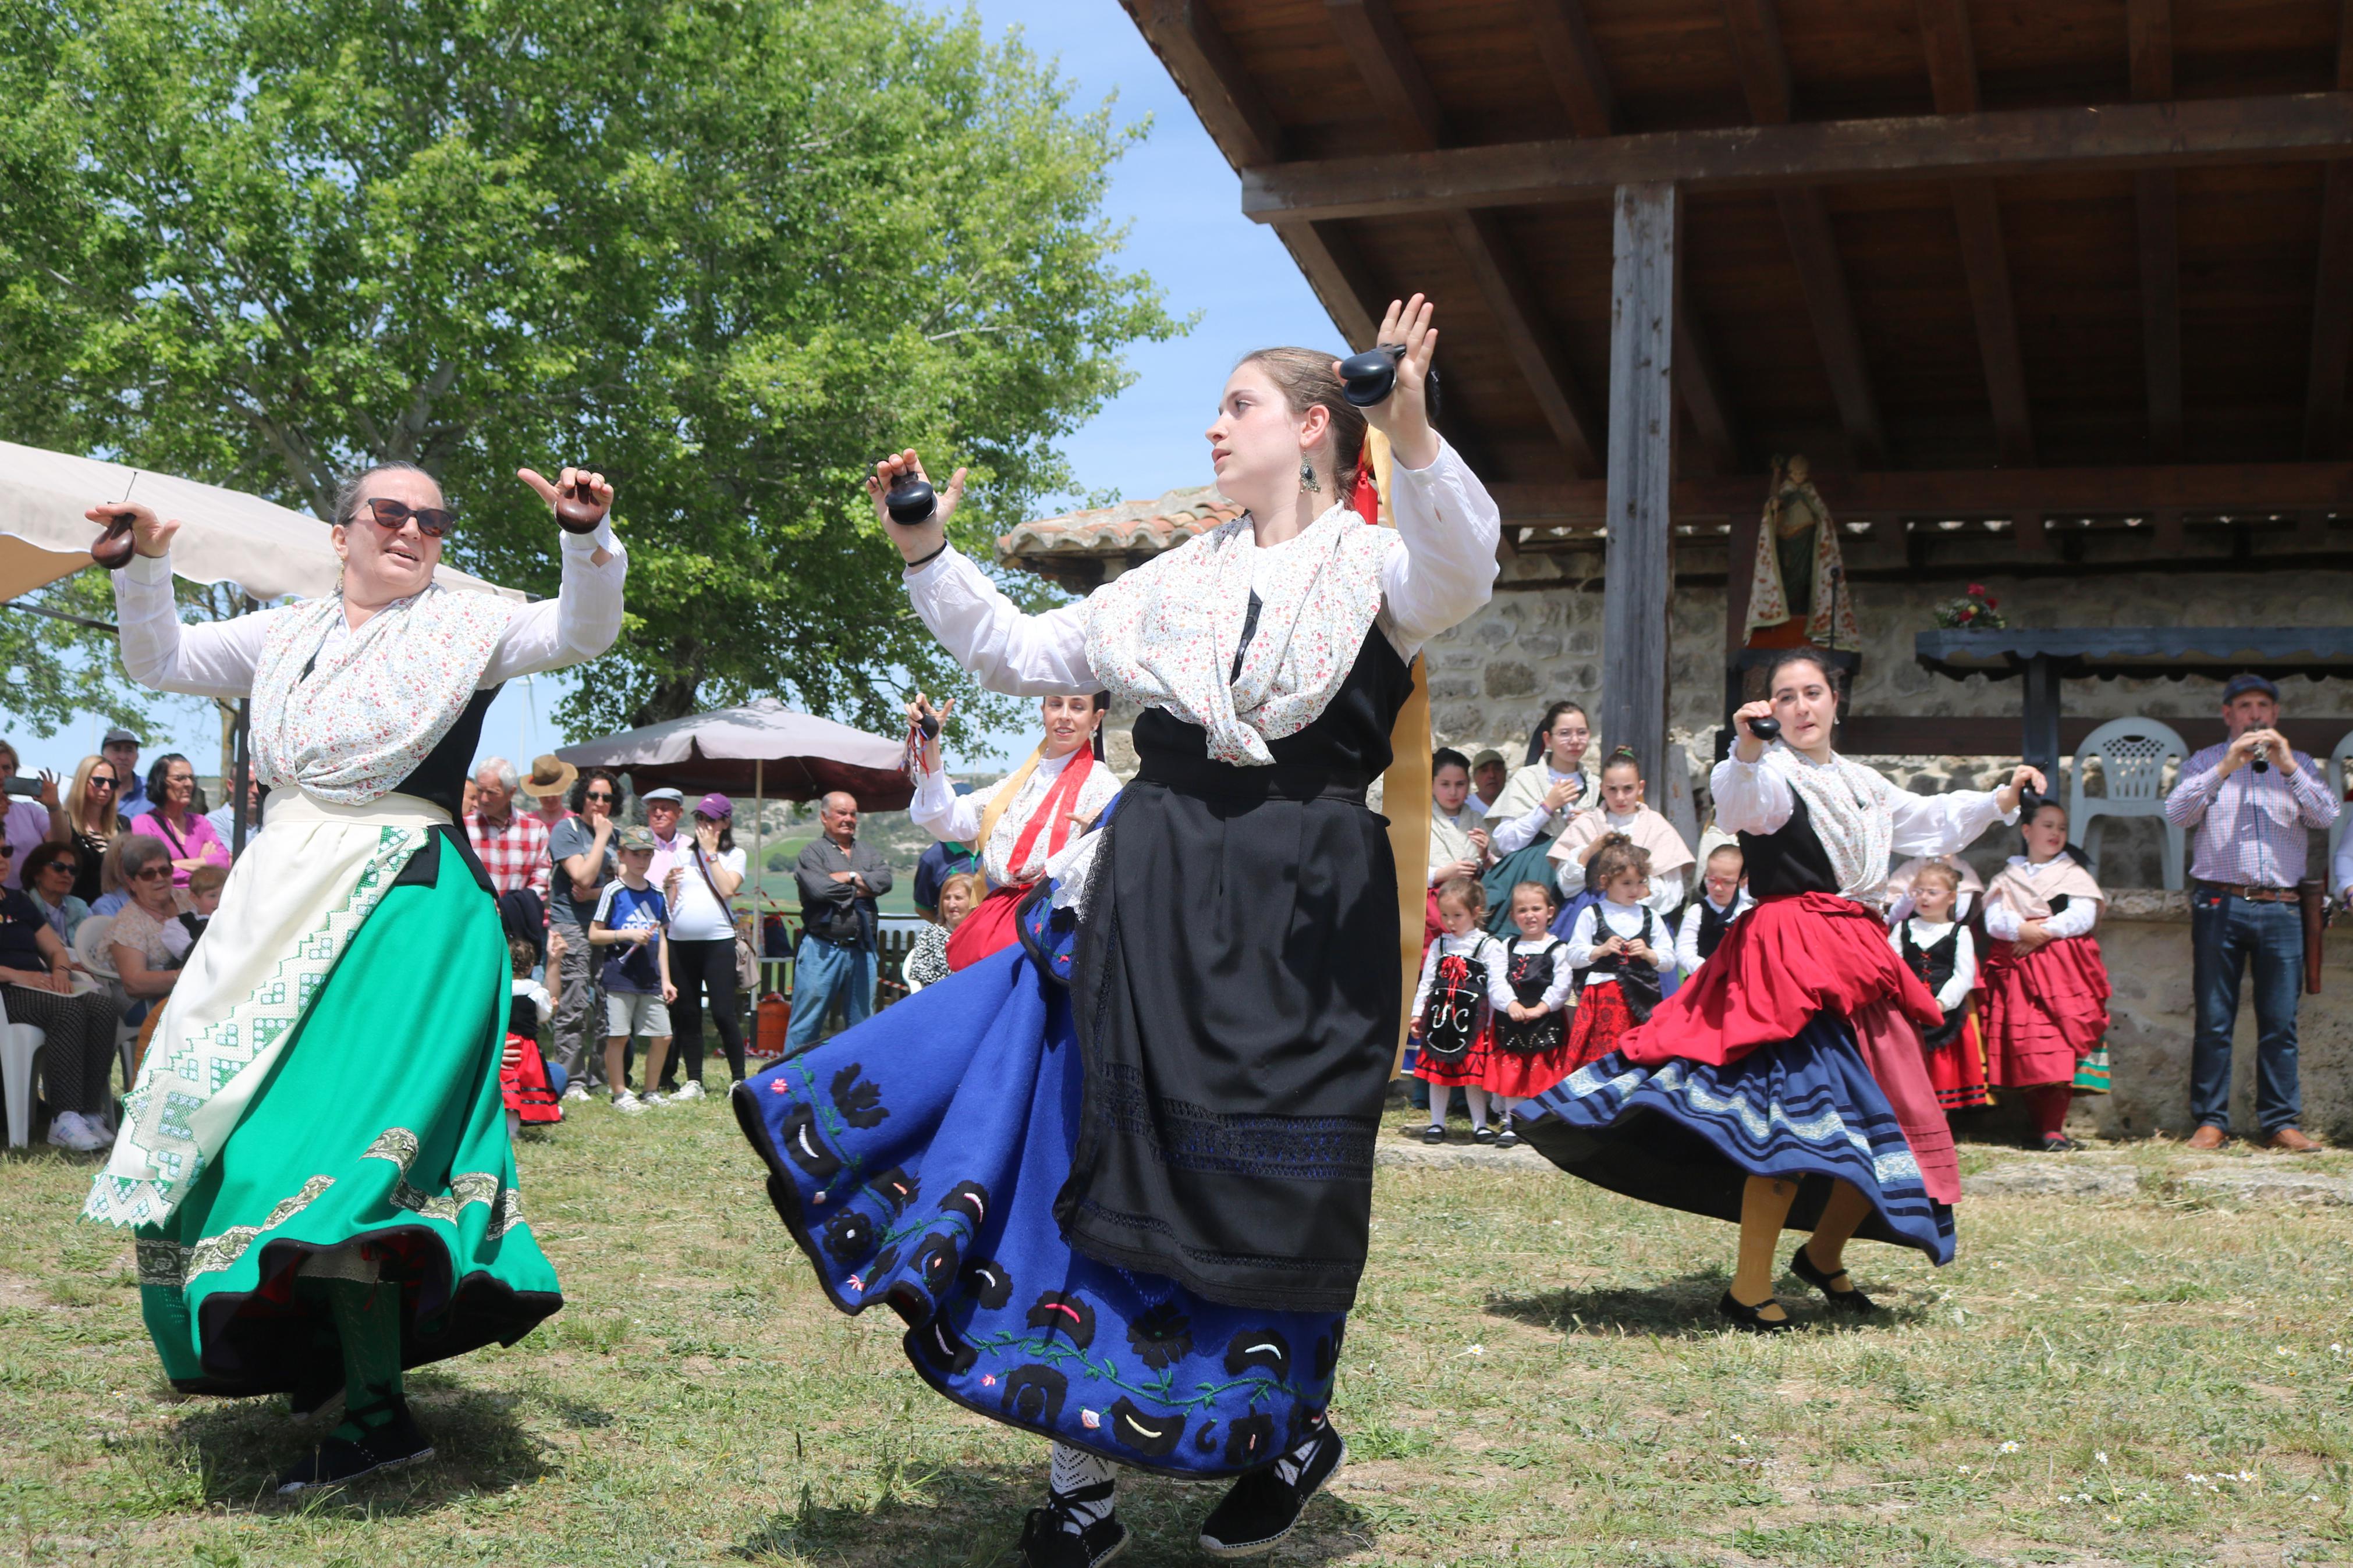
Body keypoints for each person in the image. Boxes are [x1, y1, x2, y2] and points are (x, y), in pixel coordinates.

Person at [732, 297, 1497, 1565]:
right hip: (1147, 888)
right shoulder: (1172, 583)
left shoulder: (1380, 571)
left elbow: (1464, 560)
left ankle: (1285, 1431)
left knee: (1266, 1187)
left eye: (1235, 404)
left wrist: (1405, 420)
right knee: (1093, 1164)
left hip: (1300, 914)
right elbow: (1015, 648)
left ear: (1311, 428)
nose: (1210, 425)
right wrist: (924, 546)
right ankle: (1077, 1492)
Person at [81, 456, 623, 1492]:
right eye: (389, 512)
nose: (410, 530)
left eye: (430, 518)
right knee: (248, 1144)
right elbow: (158, 661)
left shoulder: (471, 627)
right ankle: (345, 1369)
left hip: (410, 907)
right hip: (276, 908)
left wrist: (582, 539)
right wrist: (144, 564)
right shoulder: (281, 635)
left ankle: (377, 1412)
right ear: (342, 533)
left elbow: (578, 631)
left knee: (356, 1155)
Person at [1518, 647, 2040, 1330]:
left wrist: (2001, 799)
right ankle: (1746, 1288)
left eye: (1812, 693)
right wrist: (1743, 744)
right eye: (1785, 697)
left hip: (1856, 955)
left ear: (1834, 700)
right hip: (1788, 962)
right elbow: (1741, 800)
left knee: (1887, 1114)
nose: (1800, 707)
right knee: (1791, 1122)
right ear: (1771, 711)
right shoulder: (1769, 776)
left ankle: (1822, 1256)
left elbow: (1930, 820)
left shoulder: (1862, 782)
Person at [2163, 673, 2338, 1152]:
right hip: (2218, 900)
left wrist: (2287, 767)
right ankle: (2210, 1122)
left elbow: (2325, 817)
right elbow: (2178, 814)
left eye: (2263, 705)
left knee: (2279, 1022)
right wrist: (2224, 767)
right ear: (2228, 715)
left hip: (2281, 909)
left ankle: (2280, 1122)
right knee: (2214, 1019)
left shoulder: (2299, 764)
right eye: (2244, 706)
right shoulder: (2204, 763)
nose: (2255, 714)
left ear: (2276, 715)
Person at [908, 692, 1117, 969]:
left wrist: (1092, 842)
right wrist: (931, 742)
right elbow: (950, 821)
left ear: (1095, 719)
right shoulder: (1016, 783)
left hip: (1052, 927)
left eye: (1077, 707)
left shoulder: (1103, 786)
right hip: (999, 920)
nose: (1064, 715)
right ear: (1043, 710)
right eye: (1056, 704)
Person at [1978, 802, 2111, 1151]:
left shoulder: (2074, 875)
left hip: (2063, 972)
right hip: (2019, 975)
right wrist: (2020, 929)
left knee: (2060, 1041)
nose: (2056, 834)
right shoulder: (2005, 880)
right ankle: (2039, 1127)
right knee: (2031, 1044)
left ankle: (2052, 1128)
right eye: (2048, 826)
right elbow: (1993, 920)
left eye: (2062, 828)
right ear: (2027, 831)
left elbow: (2082, 916)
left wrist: (2040, 933)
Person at [0, 830, 120, 1151]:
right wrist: (17, 975)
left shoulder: (17, 901)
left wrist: (60, 971)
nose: (2, 859)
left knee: (101, 1007)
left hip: (39, 987)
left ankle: (89, 1111)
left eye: (5, 850)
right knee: (67, 1010)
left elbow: (54, 949)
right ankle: (63, 1117)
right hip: (7, 991)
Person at [1561, 834, 1681, 1073]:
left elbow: (1669, 960)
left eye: (1639, 882)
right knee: (1601, 1054)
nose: (1635, 889)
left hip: (1643, 998)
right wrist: (1600, 950)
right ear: (1606, 881)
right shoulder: (1591, 914)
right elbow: (1573, 955)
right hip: (1603, 994)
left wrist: (1648, 953)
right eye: (1626, 883)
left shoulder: (1650, 915)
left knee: (1638, 1055)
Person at [783, 791, 892, 1053]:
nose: (848, 819)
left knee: (863, 1023)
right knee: (806, 1023)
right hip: (822, 948)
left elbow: (885, 881)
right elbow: (819, 890)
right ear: (824, 817)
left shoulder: (868, 852)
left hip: (862, 949)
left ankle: (858, 1084)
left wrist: (848, 876)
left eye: (853, 814)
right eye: (842, 813)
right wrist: (863, 888)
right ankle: (785, 1083)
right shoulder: (812, 853)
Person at [1480, 701, 1598, 931]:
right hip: (1534, 878)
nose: (1574, 741)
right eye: (1564, 733)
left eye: (1581, 733)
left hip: (1581, 882)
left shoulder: (1597, 786)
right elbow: (1505, 842)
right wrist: (1546, 808)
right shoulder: (1528, 779)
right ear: (1547, 739)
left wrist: (1589, 826)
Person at [1889, 861, 1993, 1116]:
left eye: (1932, 892)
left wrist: (1941, 1003)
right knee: (1908, 1066)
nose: (1924, 898)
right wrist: (1907, 1001)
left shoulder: (1960, 932)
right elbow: (1893, 968)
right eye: (1920, 891)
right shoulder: (1903, 929)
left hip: (1944, 1012)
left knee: (1941, 1069)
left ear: (1951, 897)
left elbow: (1964, 975)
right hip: (1908, 1011)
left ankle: (1938, 1123)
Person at [1548, 746, 1695, 923]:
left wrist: (1637, 891)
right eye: (1612, 789)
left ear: (1641, 788)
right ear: (1602, 788)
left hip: (1642, 917)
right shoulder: (1587, 824)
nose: (1620, 797)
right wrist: (1589, 853)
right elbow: (1567, 886)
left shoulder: (1656, 826)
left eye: (1628, 789)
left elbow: (1672, 893)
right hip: (1590, 915)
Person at [1412, 876, 1508, 1145]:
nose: (1450, 922)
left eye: (1457, 915)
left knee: (1472, 1076)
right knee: (1438, 1073)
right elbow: (1428, 982)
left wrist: (1495, 1019)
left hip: (1472, 1025)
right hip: (1440, 1021)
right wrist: (1418, 1013)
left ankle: (1480, 1125)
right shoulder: (1439, 945)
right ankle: (1436, 1123)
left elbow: (1497, 986)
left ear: (1475, 912)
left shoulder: (1488, 946)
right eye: (1445, 915)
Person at [664, 793, 749, 1091]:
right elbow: (672, 904)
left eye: (710, 820)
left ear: (725, 823)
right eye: (699, 818)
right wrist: (667, 888)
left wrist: (711, 854)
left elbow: (727, 889)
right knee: (688, 1013)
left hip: (718, 942)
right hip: (680, 942)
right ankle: (694, 1080)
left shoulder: (735, 855)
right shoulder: (682, 854)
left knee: (724, 1012)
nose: (703, 825)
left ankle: (739, 1078)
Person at [547, 768, 622, 1100]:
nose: (600, 803)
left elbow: (619, 885)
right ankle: (571, 1080)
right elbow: (582, 877)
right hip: (572, 927)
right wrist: (602, 840)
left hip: (606, 927)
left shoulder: (616, 836)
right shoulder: (567, 830)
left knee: (609, 1005)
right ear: (582, 798)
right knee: (574, 1006)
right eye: (593, 795)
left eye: (607, 797)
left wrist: (596, 894)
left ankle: (599, 1075)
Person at [1485, 879, 1577, 1144]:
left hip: (1546, 1021)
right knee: (1513, 1073)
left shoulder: (1559, 949)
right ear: (1513, 916)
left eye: (1536, 908)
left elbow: (1562, 984)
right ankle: (1512, 1124)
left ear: (1550, 912)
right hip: (1511, 1020)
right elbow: (1497, 980)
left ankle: (1541, 1125)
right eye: (1522, 910)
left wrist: (1542, 1007)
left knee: (1542, 1074)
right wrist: (1510, 1004)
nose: (1529, 915)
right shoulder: (1506, 947)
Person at [593, 826, 676, 1113]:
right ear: (622, 855)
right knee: (618, 1036)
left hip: (650, 975)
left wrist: (666, 979)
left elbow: (662, 937)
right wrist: (626, 935)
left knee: (663, 1036)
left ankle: (650, 1091)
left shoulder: (656, 893)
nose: (642, 860)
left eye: (647, 855)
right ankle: (620, 1094)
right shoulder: (613, 890)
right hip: (620, 975)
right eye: (636, 854)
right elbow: (594, 934)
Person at [467, 756, 553, 960]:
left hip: (518, 934)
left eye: (492, 793)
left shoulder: (534, 830)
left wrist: (508, 907)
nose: (484, 798)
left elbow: (541, 882)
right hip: (476, 928)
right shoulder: (464, 828)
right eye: (480, 790)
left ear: (511, 793)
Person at [130, 753, 232, 887]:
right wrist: (203, 865)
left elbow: (223, 862)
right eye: (180, 778)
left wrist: (174, 864)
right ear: (160, 782)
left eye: (191, 778)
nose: (189, 784)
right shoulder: (144, 824)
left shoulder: (201, 823)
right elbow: (153, 872)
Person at [502, 936, 562, 1136]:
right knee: (525, 1083)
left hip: (502, 1043)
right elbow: (544, 1016)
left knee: (506, 1085)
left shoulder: (498, 987)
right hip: (525, 1047)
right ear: (530, 966)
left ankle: (502, 1127)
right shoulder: (536, 990)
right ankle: (515, 1128)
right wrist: (551, 1008)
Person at [51, 756, 129, 906]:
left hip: (115, 910)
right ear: (82, 781)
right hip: (74, 910)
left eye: (112, 783)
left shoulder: (122, 824)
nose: (106, 788)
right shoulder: (64, 822)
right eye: (99, 781)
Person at [1675, 843, 1752, 976]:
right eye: (1712, 880)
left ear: (1743, 881)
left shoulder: (1749, 913)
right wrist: (1705, 967)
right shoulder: (1698, 911)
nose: (1718, 888)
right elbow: (1683, 951)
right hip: (1704, 981)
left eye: (1727, 882)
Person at [0, 741, 62, 891]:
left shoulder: (31, 811)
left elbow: (60, 845)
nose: (1, 775)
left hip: (30, 902)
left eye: (7, 768)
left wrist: (54, 806)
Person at [904, 870, 980, 993]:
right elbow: (918, 970)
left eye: (958, 898)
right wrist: (953, 985)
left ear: (973, 902)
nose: (951, 904)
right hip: (938, 997)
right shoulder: (930, 934)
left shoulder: (983, 936)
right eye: (947, 898)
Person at [1428, 747, 1490, 887]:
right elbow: (1407, 870)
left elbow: (1496, 868)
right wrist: (1442, 874)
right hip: (1434, 899)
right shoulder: (1421, 822)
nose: (1453, 792)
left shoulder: (1477, 820)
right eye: (1445, 784)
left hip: (1474, 895)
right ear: (1432, 785)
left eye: (1460, 784)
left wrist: (1485, 855)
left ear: (1468, 785)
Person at [20, 842, 91, 944]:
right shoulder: (22, 907)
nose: (67, 874)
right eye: (59, 867)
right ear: (37, 873)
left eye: (73, 870)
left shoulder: (82, 909)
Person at [204, 773, 264, 854]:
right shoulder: (214, 821)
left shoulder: (271, 821)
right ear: (231, 785)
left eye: (261, 784)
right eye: (249, 783)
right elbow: (228, 861)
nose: (256, 790)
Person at [102, 728, 151, 820]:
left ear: (137, 757)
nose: (123, 757)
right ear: (103, 755)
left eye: (129, 750)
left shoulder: (152, 790)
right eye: (117, 750)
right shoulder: (92, 789)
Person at [521, 755, 576, 833]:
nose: (550, 798)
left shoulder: (576, 823)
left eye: (554, 793)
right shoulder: (528, 822)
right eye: (544, 795)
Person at [1468, 748, 1509, 818]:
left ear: (1505, 773)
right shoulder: (1464, 808)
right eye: (1484, 771)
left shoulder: (1518, 804)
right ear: (1474, 777)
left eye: (1497, 769)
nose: (1492, 775)